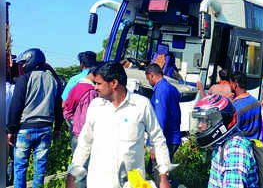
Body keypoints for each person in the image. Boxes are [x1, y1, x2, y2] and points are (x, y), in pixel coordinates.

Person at [66, 61, 171, 188]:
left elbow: (158, 139)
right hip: (99, 182)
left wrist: (163, 176)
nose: (95, 87)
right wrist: (72, 176)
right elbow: (84, 143)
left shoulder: (141, 105)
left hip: (132, 183)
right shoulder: (95, 106)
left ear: (114, 83)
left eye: (99, 83)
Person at [6, 48, 63, 188]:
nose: (23, 66)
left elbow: (16, 106)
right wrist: (58, 128)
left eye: (24, 63)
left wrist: (10, 129)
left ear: (32, 60)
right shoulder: (54, 80)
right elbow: (58, 107)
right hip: (45, 129)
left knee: (20, 168)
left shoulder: (24, 79)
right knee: (40, 169)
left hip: (25, 130)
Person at [191, 94, 258, 188]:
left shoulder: (235, 149)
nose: (199, 125)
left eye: (203, 120)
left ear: (218, 121)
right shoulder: (220, 144)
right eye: (198, 120)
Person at [145, 63, 181, 185]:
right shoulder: (172, 88)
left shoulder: (161, 90)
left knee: (160, 176)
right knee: (153, 170)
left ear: (151, 75)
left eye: (148, 79)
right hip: (173, 137)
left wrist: (155, 145)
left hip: (165, 140)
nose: (148, 82)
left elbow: (160, 118)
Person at [63, 66, 98, 154]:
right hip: (85, 134)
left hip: (77, 131)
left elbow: (66, 108)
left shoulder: (76, 86)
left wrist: (75, 120)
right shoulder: (90, 90)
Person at [229, 71, 261, 140]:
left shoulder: (236, 107)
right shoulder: (256, 102)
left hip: (241, 145)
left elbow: (232, 132)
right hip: (255, 144)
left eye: (230, 83)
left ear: (235, 85)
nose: (229, 86)